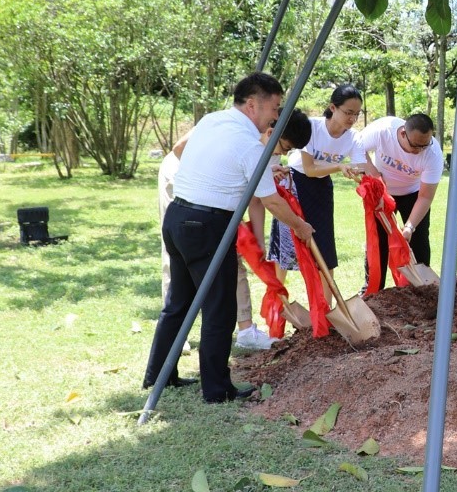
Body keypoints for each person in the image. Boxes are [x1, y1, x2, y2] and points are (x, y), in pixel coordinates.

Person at [143, 73, 316, 404]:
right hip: (207, 226)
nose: (276, 117)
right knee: (220, 309)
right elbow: (272, 202)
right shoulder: (250, 144)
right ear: (252, 105)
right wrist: (301, 227)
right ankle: (217, 389)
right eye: (274, 108)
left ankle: (158, 375)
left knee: (178, 302)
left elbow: (185, 151)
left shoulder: (213, 120)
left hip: (178, 217)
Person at [158, 115, 309, 351]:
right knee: (180, 260)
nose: (281, 153)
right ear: (270, 131)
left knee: (233, 255)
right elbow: (179, 149)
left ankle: (246, 329)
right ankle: (176, 333)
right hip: (184, 187)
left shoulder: (268, 145)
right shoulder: (226, 125)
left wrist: (257, 245)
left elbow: (258, 200)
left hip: (223, 200)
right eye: (284, 147)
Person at [268, 85, 364, 306]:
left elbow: (361, 168)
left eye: (356, 114)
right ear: (333, 107)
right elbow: (309, 169)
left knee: (325, 248)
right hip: (294, 184)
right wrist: (339, 167)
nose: (353, 118)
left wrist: (366, 179)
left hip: (321, 189)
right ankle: (278, 304)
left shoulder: (353, 138)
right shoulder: (312, 127)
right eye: (348, 112)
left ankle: (326, 309)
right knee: (287, 248)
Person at [356, 112, 444, 290]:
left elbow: (426, 197)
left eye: (424, 145)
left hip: (413, 193)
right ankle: (373, 289)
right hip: (382, 192)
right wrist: (372, 172)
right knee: (378, 240)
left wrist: (409, 227)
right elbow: (356, 147)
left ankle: (421, 288)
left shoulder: (433, 154)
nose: (419, 150)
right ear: (403, 133)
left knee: (418, 240)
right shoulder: (383, 130)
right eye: (415, 145)